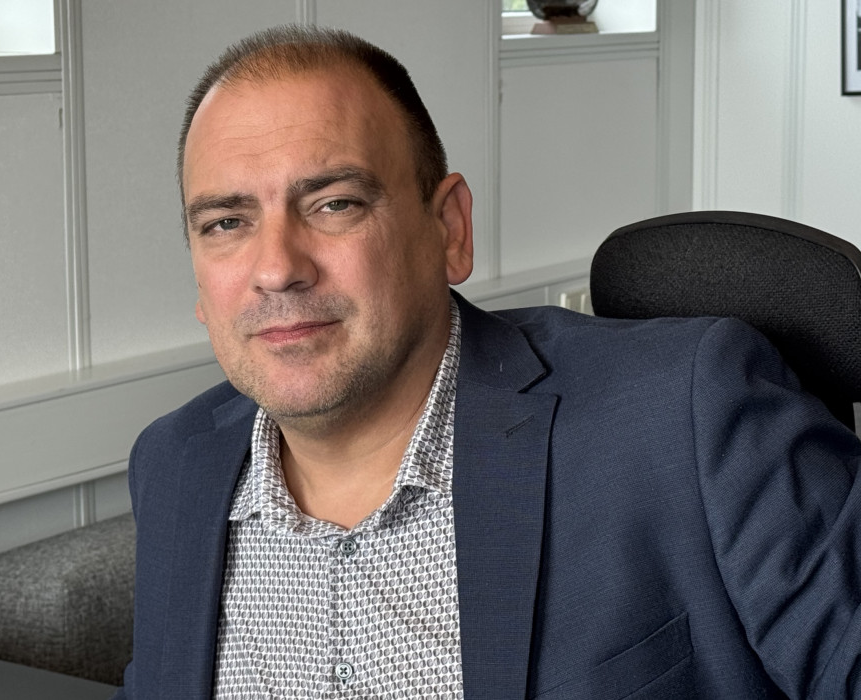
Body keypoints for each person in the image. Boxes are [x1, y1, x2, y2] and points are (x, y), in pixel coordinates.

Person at [113, 25, 861, 699]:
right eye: (226, 222)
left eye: (335, 204)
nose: (277, 268)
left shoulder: (687, 417)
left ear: (449, 230)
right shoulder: (175, 465)